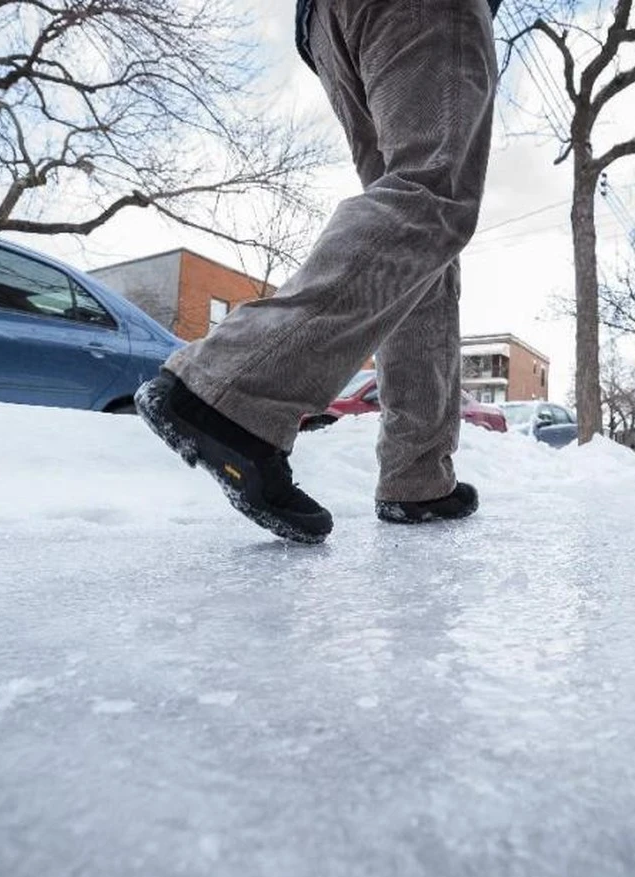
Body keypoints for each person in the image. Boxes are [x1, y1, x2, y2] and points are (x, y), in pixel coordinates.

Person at [134, 0, 500, 544]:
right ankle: (229, 392)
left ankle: (417, 475)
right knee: (431, 194)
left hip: (329, 25)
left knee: (419, 235)